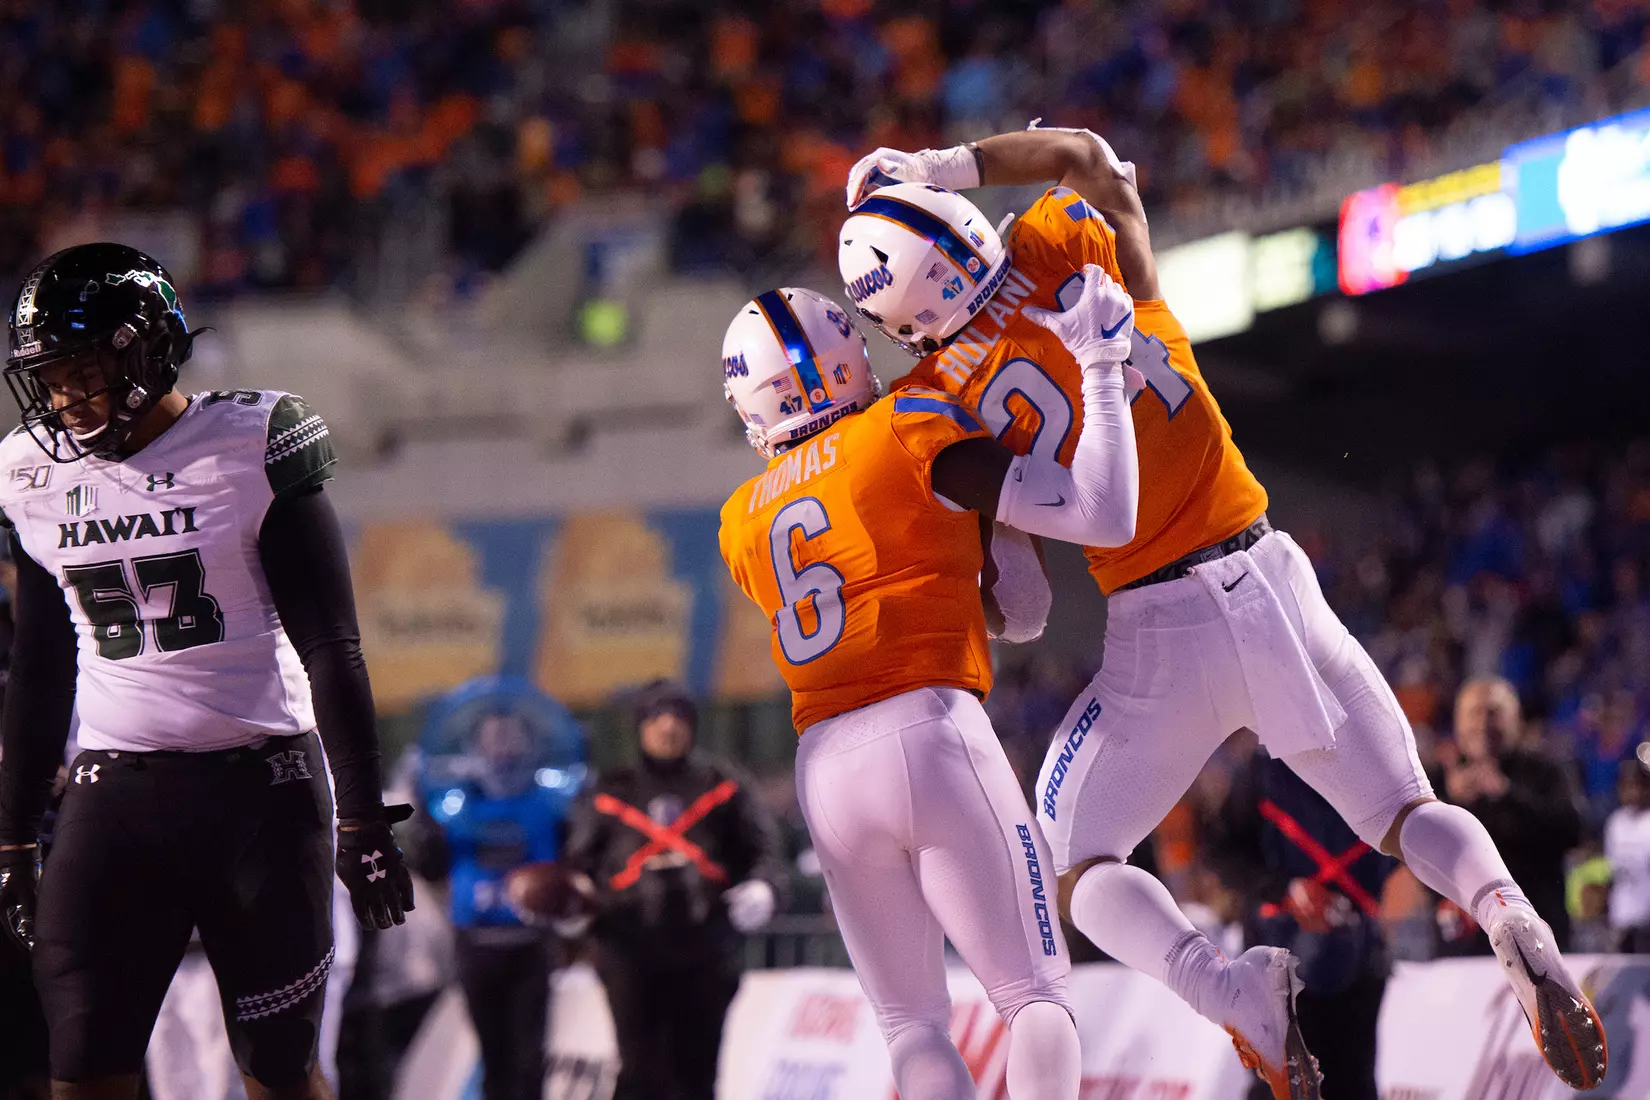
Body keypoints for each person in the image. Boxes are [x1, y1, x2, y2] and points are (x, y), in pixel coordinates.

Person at [839, 130, 1605, 1093]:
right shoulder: (1066, 240)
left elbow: (1026, 610)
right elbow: (1088, 156)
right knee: (1407, 811)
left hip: (1158, 626)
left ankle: (1228, 991)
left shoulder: (934, 404)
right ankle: (1508, 913)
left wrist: (982, 563)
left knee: (1073, 862)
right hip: (1272, 571)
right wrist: (939, 166)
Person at [0, 243, 415, 1100]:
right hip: (112, 797)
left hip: (260, 794)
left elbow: (331, 645)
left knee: (279, 1073)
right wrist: (11, 834)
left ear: (147, 350)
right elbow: (41, 666)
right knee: (81, 1065)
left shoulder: (248, 442)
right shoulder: (28, 471)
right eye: (52, 378)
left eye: (83, 371)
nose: (66, 398)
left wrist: (363, 815)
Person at [717, 277, 1139, 1100]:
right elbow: (1024, 611)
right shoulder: (906, 423)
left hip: (825, 763)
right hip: (929, 722)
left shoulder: (742, 519)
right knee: (1035, 994)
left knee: (911, 1025)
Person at [559, 680, 783, 1100]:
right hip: (628, 948)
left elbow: (764, 851)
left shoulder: (723, 784)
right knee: (639, 1072)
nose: (669, 726)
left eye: (679, 716)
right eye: (657, 716)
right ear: (639, 726)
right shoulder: (609, 791)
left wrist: (763, 888)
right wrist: (572, 903)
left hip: (706, 948)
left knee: (697, 1074)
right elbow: (577, 862)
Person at [403, 678, 586, 1100]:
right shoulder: (454, 806)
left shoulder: (548, 802)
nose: (501, 748)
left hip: (531, 944)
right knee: (493, 1059)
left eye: (510, 737)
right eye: (492, 738)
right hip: (477, 945)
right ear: (475, 745)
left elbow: (577, 856)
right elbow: (430, 866)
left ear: (528, 743)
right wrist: (423, 813)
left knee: (529, 1060)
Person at [1206, 749, 1398, 1100]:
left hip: (1359, 956)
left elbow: (1409, 842)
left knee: (1352, 1083)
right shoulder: (1262, 770)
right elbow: (1220, 851)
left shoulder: (1375, 760)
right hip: (1275, 962)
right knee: (1281, 1087)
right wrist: (1284, 889)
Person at [1433, 678, 1583, 954]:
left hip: (1538, 935)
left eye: (1493, 713)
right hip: (1461, 943)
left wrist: (1505, 792)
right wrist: (1448, 804)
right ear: (1457, 723)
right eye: (1474, 713)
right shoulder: (1437, 781)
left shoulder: (1547, 772)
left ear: (1516, 720)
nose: (1483, 724)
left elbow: (1573, 831)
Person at [1603, 759, 1650, 952]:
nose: (1631, 792)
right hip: (1621, 917)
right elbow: (1612, 871)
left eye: (1636, 785)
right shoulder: (1615, 823)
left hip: (1646, 917)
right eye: (1626, 786)